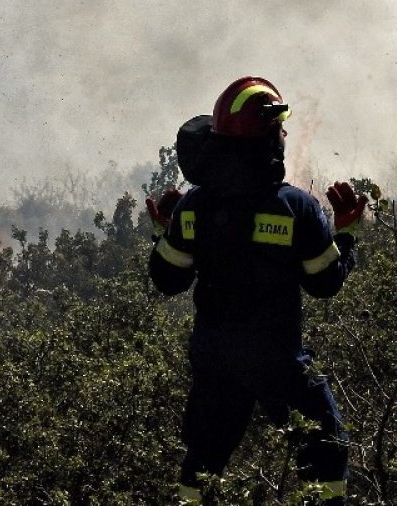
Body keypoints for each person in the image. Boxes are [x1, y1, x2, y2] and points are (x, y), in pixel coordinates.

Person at [146, 76, 367, 505]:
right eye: (279, 128)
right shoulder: (295, 208)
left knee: (203, 464)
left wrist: (163, 234)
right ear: (267, 136)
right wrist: (348, 235)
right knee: (326, 449)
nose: (284, 136)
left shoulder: (193, 207)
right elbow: (324, 283)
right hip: (277, 360)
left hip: (215, 361)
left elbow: (167, 279)